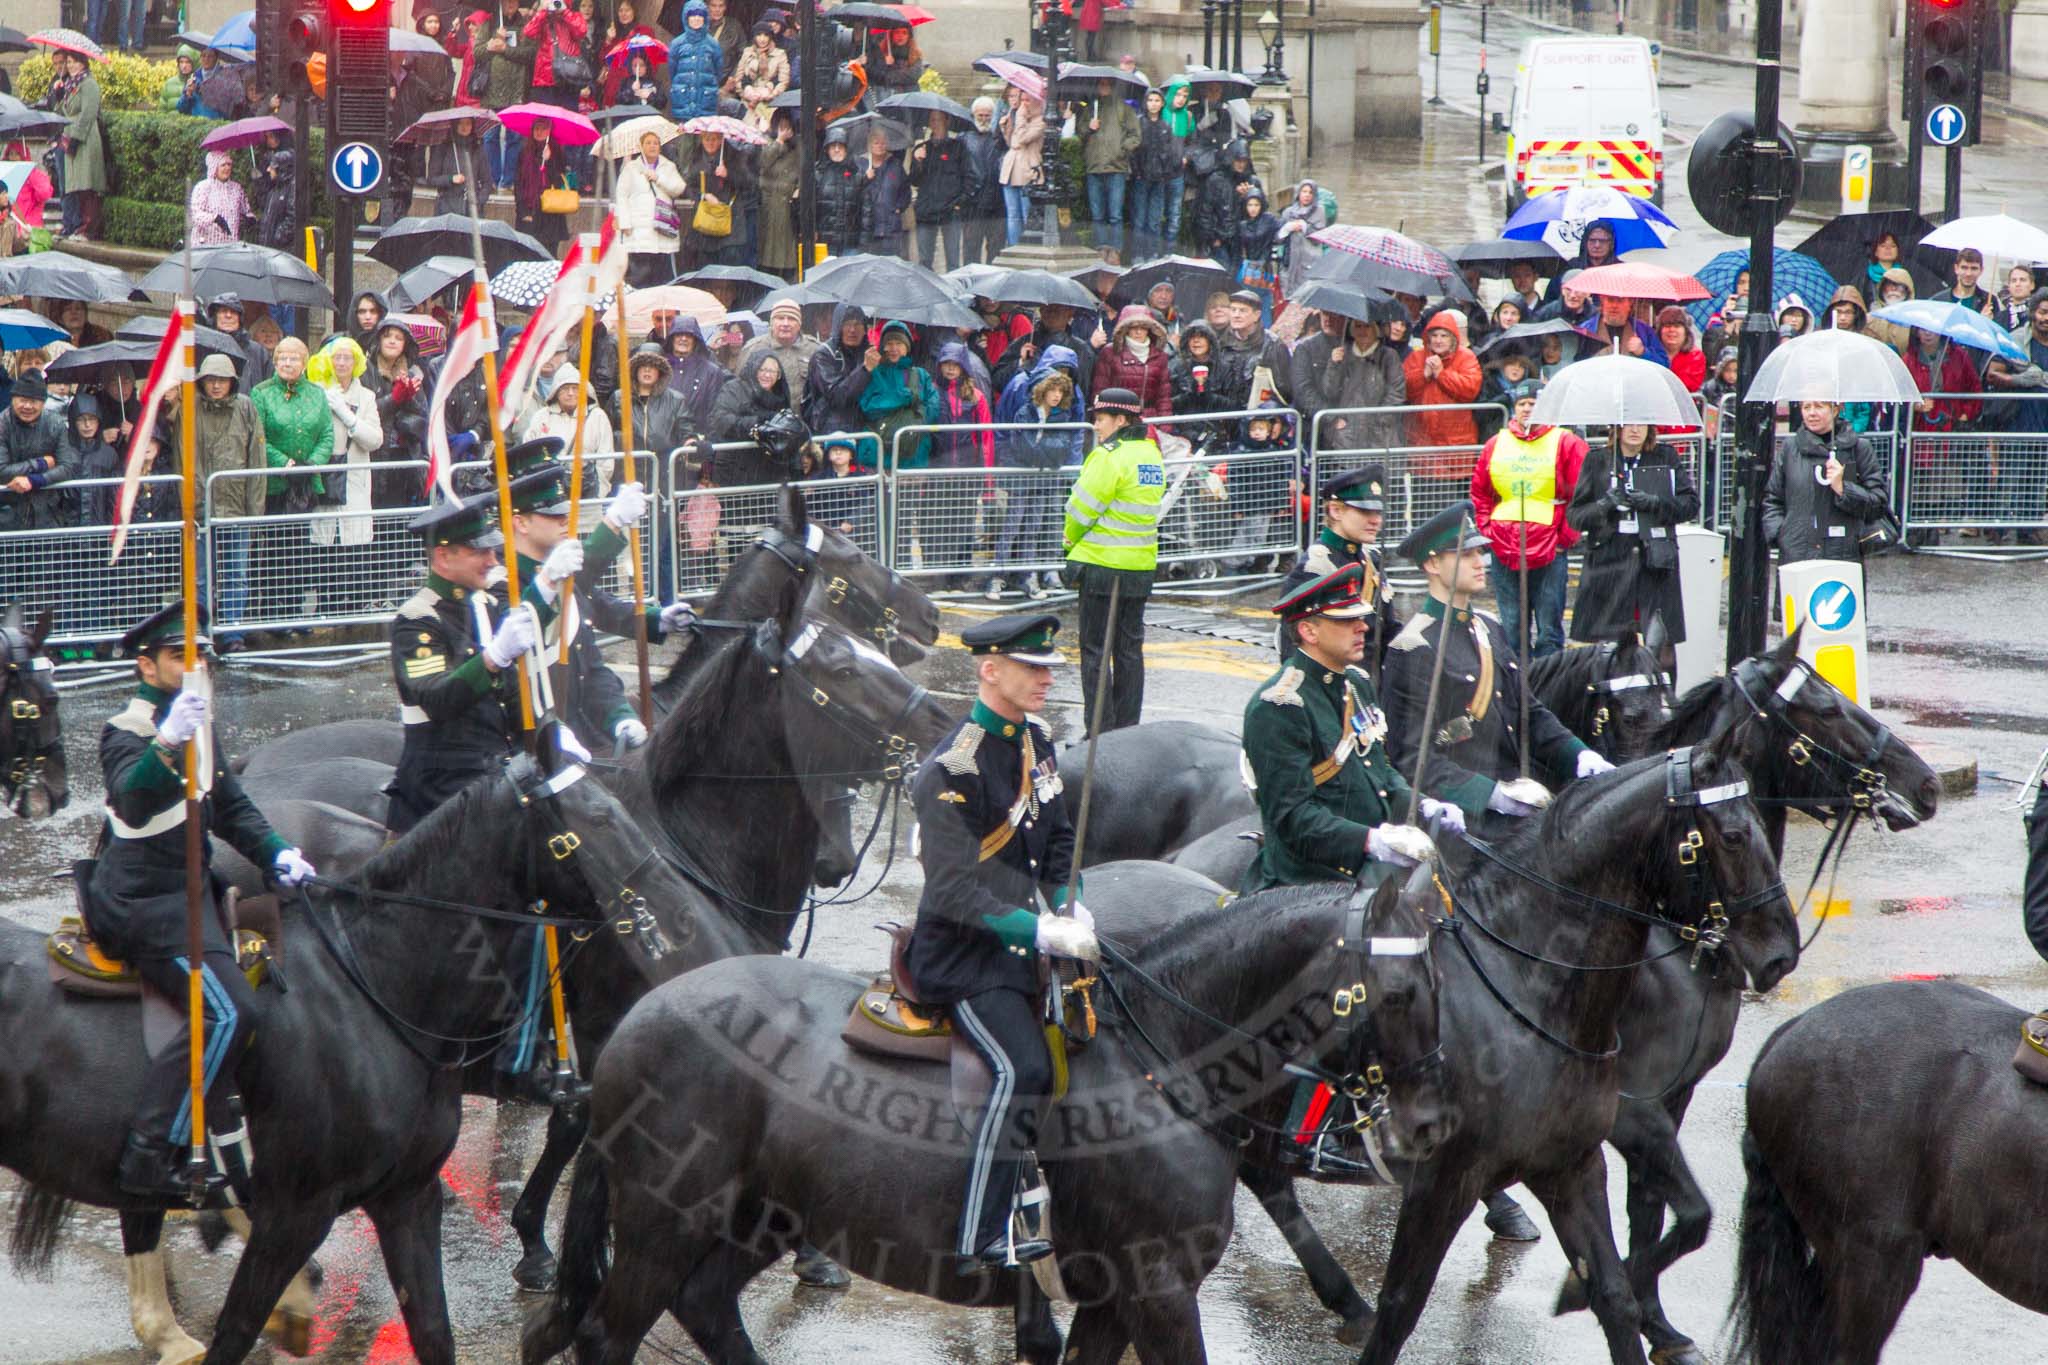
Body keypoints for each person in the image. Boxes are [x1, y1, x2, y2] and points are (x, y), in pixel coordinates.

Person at [90, 604, 314, 1204]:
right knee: (228, 1011)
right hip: (141, 902)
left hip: (191, 892)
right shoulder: (126, 731)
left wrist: (277, 854)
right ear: (146, 664)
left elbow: (232, 808)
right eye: (179, 658)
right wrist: (167, 741)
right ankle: (150, 1148)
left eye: (203, 660)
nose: (196, 670)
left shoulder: (200, 724)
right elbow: (133, 802)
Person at [905, 612, 1090, 1276]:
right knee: (1024, 1069)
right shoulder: (953, 768)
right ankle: (981, 1233)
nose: (1046, 679)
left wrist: (1069, 904)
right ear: (990, 670)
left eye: (1048, 668)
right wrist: (1036, 928)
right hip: (964, 954)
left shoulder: (1035, 740)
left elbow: (1060, 838)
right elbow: (953, 891)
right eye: (1032, 668)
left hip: (1027, 940)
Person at [1381, 499, 1603, 830]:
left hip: (1520, 794)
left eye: (1479, 552)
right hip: (1465, 816)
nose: (1480, 561)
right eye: (1465, 554)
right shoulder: (1413, 647)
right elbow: (1414, 760)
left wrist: (1579, 755)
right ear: (1432, 565)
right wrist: (1491, 795)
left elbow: (1528, 711)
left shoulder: (1488, 626)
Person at [1241, 561, 1452, 894]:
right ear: (1309, 632)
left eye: (1360, 617)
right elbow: (1293, 819)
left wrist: (1422, 804)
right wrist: (1371, 840)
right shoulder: (1280, 706)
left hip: (1371, 868)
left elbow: (1379, 771)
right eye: (1346, 620)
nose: (1363, 627)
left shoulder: (1356, 683)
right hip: (1311, 881)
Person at [502, 442, 686, 754]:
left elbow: (594, 630)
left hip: (584, 730)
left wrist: (620, 718)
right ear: (519, 522)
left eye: (565, 511)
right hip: (532, 744)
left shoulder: (558, 574)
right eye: (553, 514)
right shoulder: (504, 585)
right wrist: (612, 522)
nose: (565, 520)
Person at [1063, 388, 1163, 736]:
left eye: (1101, 418)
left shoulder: (1108, 456)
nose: (1096, 425)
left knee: (1095, 653)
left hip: (1101, 567)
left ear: (1121, 420)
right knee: (1129, 652)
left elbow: (1080, 508)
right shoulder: (1150, 454)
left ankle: (1099, 734)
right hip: (1139, 568)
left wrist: (1069, 539)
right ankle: (1127, 732)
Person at [1470, 376, 1586, 660]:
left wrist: (1564, 540)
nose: (1527, 409)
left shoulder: (1566, 443)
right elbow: (1480, 494)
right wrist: (1488, 533)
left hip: (1550, 550)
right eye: (1522, 403)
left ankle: (1548, 688)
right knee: (1511, 628)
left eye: (1534, 403)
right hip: (1505, 548)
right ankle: (1515, 689)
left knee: (1549, 630)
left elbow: (1583, 493)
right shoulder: (1496, 444)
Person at [1568, 420, 1698, 645]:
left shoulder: (1665, 457)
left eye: (1642, 424)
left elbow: (1690, 504)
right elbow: (1575, 516)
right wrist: (1604, 504)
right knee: (1609, 651)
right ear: (1617, 428)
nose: (1635, 430)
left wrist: (1655, 503)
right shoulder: (1597, 460)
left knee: (1659, 648)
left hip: (1654, 562)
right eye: (1628, 424)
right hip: (1609, 563)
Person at [1278, 465, 1401, 677]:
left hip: (1369, 690)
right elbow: (1294, 649)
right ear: (1336, 511)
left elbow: (1387, 630)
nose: (1376, 520)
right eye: (1365, 511)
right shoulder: (1315, 567)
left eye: (1378, 512)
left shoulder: (1371, 559)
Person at [992, 345, 1084, 600]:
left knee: (1041, 522)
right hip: (1024, 471)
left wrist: (1059, 463)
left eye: (1062, 385)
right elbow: (1015, 439)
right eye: (1053, 385)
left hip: (1049, 473)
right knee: (1013, 522)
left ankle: (1035, 574)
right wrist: (1038, 454)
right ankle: (1000, 574)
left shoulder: (1067, 405)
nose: (1057, 394)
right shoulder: (1022, 396)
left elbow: (1069, 441)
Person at [191, 353, 266, 645]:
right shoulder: (192, 408)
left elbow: (256, 460)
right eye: (211, 380)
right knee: (201, 578)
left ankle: (232, 632)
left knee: (236, 574)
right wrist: (195, 503)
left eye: (222, 380)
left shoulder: (246, 407)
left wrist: (255, 510)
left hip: (237, 504)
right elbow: (188, 457)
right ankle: (202, 632)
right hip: (202, 507)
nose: (216, 386)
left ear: (232, 382)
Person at [1762, 400, 1892, 566]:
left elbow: (1878, 503)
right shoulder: (1790, 448)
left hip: (1844, 554)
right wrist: (1781, 534)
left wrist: (1843, 488)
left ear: (1835, 410)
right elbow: (1773, 498)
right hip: (1796, 553)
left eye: (1819, 406)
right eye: (1806, 407)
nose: (1812, 413)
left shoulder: (1859, 448)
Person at [311, 336, 383, 604]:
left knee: (354, 552)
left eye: (347, 357)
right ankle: (325, 610)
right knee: (324, 551)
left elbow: (375, 440)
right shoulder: (316, 392)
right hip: (327, 483)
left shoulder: (367, 397)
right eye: (336, 357)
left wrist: (346, 414)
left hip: (354, 484)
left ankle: (353, 615)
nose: (341, 362)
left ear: (356, 363)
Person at [1404, 310, 1484, 505]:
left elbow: (1470, 389)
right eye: (1434, 336)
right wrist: (1422, 375)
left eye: (1444, 336)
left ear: (1454, 338)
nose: (1438, 340)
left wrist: (1441, 374)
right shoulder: (1416, 358)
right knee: (1423, 508)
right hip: (1423, 447)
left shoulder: (1467, 358)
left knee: (1457, 508)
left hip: (1457, 447)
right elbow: (1404, 389)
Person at [1312, 313, 1407, 451]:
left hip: (1380, 436)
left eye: (1367, 326)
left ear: (1376, 330)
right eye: (1358, 326)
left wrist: (1377, 420)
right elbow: (1329, 392)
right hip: (1345, 436)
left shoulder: (1389, 356)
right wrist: (1333, 365)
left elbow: (1397, 393)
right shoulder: (1342, 354)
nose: (1362, 331)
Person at [0, 370, 78, 533]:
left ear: (43, 403)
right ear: (13, 399)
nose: (27, 406)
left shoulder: (55, 423)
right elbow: (2, 471)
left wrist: (35, 480)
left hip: (48, 514)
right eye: (22, 400)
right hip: (8, 514)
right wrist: (40, 463)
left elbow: (66, 467)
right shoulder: (3, 424)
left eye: (34, 401)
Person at [1077, 78, 1140, 264]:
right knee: (1098, 214)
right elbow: (1080, 133)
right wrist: (1089, 127)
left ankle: (1115, 249)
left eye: (1107, 84)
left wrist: (1122, 150)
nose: (1104, 87)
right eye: (1101, 84)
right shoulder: (1090, 109)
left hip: (1116, 167)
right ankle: (1101, 247)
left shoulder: (1124, 109)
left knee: (1115, 214)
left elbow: (1135, 136)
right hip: (1094, 166)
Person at [615, 128, 687, 288]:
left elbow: (679, 188)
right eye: (648, 143)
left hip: (662, 227)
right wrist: (625, 222)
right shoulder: (631, 168)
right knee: (639, 276)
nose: (652, 146)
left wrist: (659, 178)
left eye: (655, 143)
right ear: (641, 146)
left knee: (661, 278)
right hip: (638, 230)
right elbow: (621, 196)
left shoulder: (669, 166)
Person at [57, 53, 108, 242]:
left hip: (85, 139)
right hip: (69, 136)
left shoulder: (89, 84)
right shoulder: (71, 85)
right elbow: (62, 110)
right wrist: (57, 95)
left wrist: (76, 138)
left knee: (88, 183)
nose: (70, 66)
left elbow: (88, 113)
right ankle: (79, 225)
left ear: (83, 63)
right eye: (68, 62)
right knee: (76, 184)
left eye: (73, 62)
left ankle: (89, 228)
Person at [908, 110, 968, 273]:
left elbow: (968, 177)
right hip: (926, 210)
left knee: (953, 261)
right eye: (933, 120)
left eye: (939, 120)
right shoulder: (922, 148)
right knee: (925, 261)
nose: (936, 124)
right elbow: (914, 180)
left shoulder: (958, 147)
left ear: (947, 121)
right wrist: (918, 161)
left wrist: (959, 203)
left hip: (950, 210)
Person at [1091, 305, 1172, 422]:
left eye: (1143, 327)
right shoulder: (1110, 352)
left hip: (1150, 421)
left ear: (1149, 329)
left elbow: (1164, 397)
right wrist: (1102, 421)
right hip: (1118, 418)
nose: (1138, 332)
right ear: (1125, 329)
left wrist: (1165, 425)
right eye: (1133, 327)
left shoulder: (1160, 356)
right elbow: (1100, 391)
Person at [959, 97, 1007, 267]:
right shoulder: (963, 138)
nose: (984, 119)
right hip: (973, 202)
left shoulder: (1000, 138)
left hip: (997, 201)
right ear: (973, 115)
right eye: (980, 115)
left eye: (988, 115)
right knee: (971, 248)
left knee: (996, 249)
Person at [515, 116, 572, 258]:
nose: (539, 132)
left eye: (543, 128)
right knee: (528, 256)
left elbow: (559, 182)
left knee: (549, 256)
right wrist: (522, 211)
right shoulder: (524, 152)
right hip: (529, 213)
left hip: (550, 215)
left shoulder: (557, 152)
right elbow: (518, 183)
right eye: (536, 128)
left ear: (550, 131)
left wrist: (549, 161)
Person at [997, 90, 1045, 250]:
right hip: (1011, 167)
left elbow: (1024, 139)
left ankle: (1028, 248)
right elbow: (1012, 143)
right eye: (1022, 99)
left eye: (1028, 100)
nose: (1024, 104)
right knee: (1012, 214)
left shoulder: (1040, 122)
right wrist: (1006, 128)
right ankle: (1013, 247)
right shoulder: (1019, 118)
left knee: (1027, 214)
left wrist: (1020, 117)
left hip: (1027, 169)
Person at [756, 109, 800, 277]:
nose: (785, 130)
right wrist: (779, 141)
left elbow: (803, 168)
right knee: (768, 250)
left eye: (788, 127)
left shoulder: (797, 147)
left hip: (788, 203)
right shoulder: (767, 142)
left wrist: (798, 188)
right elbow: (763, 162)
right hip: (770, 203)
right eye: (781, 126)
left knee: (786, 249)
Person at [857, 128, 912, 260]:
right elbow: (854, 191)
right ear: (869, 145)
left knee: (892, 265)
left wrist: (898, 208)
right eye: (876, 143)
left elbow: (905, 190)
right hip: (869, 227)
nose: (880, 146)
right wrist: (865, 178)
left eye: (883, 143)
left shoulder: (895, 165)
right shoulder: (860, 164)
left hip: (891, 227)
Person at [815, 124, 865, 259]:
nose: (837, 150)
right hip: (825, 241)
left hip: (850, 241)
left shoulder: (856, 173)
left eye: (840, 146)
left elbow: (865, 210)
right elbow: (810, 207)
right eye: (833, 146)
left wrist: (863, 240)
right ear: (827, 149)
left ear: (846, 149)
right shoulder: (818, 173)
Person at [730, 19, 789, 128]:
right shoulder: (748, 52)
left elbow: (783, 81)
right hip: (749, 101)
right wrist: (747, 94)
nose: (762, 39)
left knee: (764, 131)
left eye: (765, 35)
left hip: (769, 102)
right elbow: (738, 77)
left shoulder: (780, 54)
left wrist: (771, 95)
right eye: (759, 35)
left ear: (770, 37)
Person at [1274, 179, 1327, 296]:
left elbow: (1320, 237)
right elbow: (1277, 238)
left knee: (1305, 295)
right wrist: (1286, 229)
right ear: (1299, 193)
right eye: (1304, 191)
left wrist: (1305, 227)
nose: (1307, 195)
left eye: (1310, 192)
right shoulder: (1288, 212)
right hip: (1289, 261)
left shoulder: (1320, 211)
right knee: (1287, 294)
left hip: (1309, 261)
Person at [187, 151, 249, 248]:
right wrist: (214, 218)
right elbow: (195, 216)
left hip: (230, 246)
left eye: (229, 164)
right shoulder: (203, 187)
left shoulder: (237, 188)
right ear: (214, 167)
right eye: (223, 165)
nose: (227, 168)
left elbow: (245, 210)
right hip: (206, 246)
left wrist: (249, 217)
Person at [1931, 246, 1995, 316]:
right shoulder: (1938, 300)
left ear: (1981, 270)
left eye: (1974, 268)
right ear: (1956, 268)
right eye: (1964, 268)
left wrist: (1985, 322)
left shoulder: (1989, 301)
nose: (1968, 273)